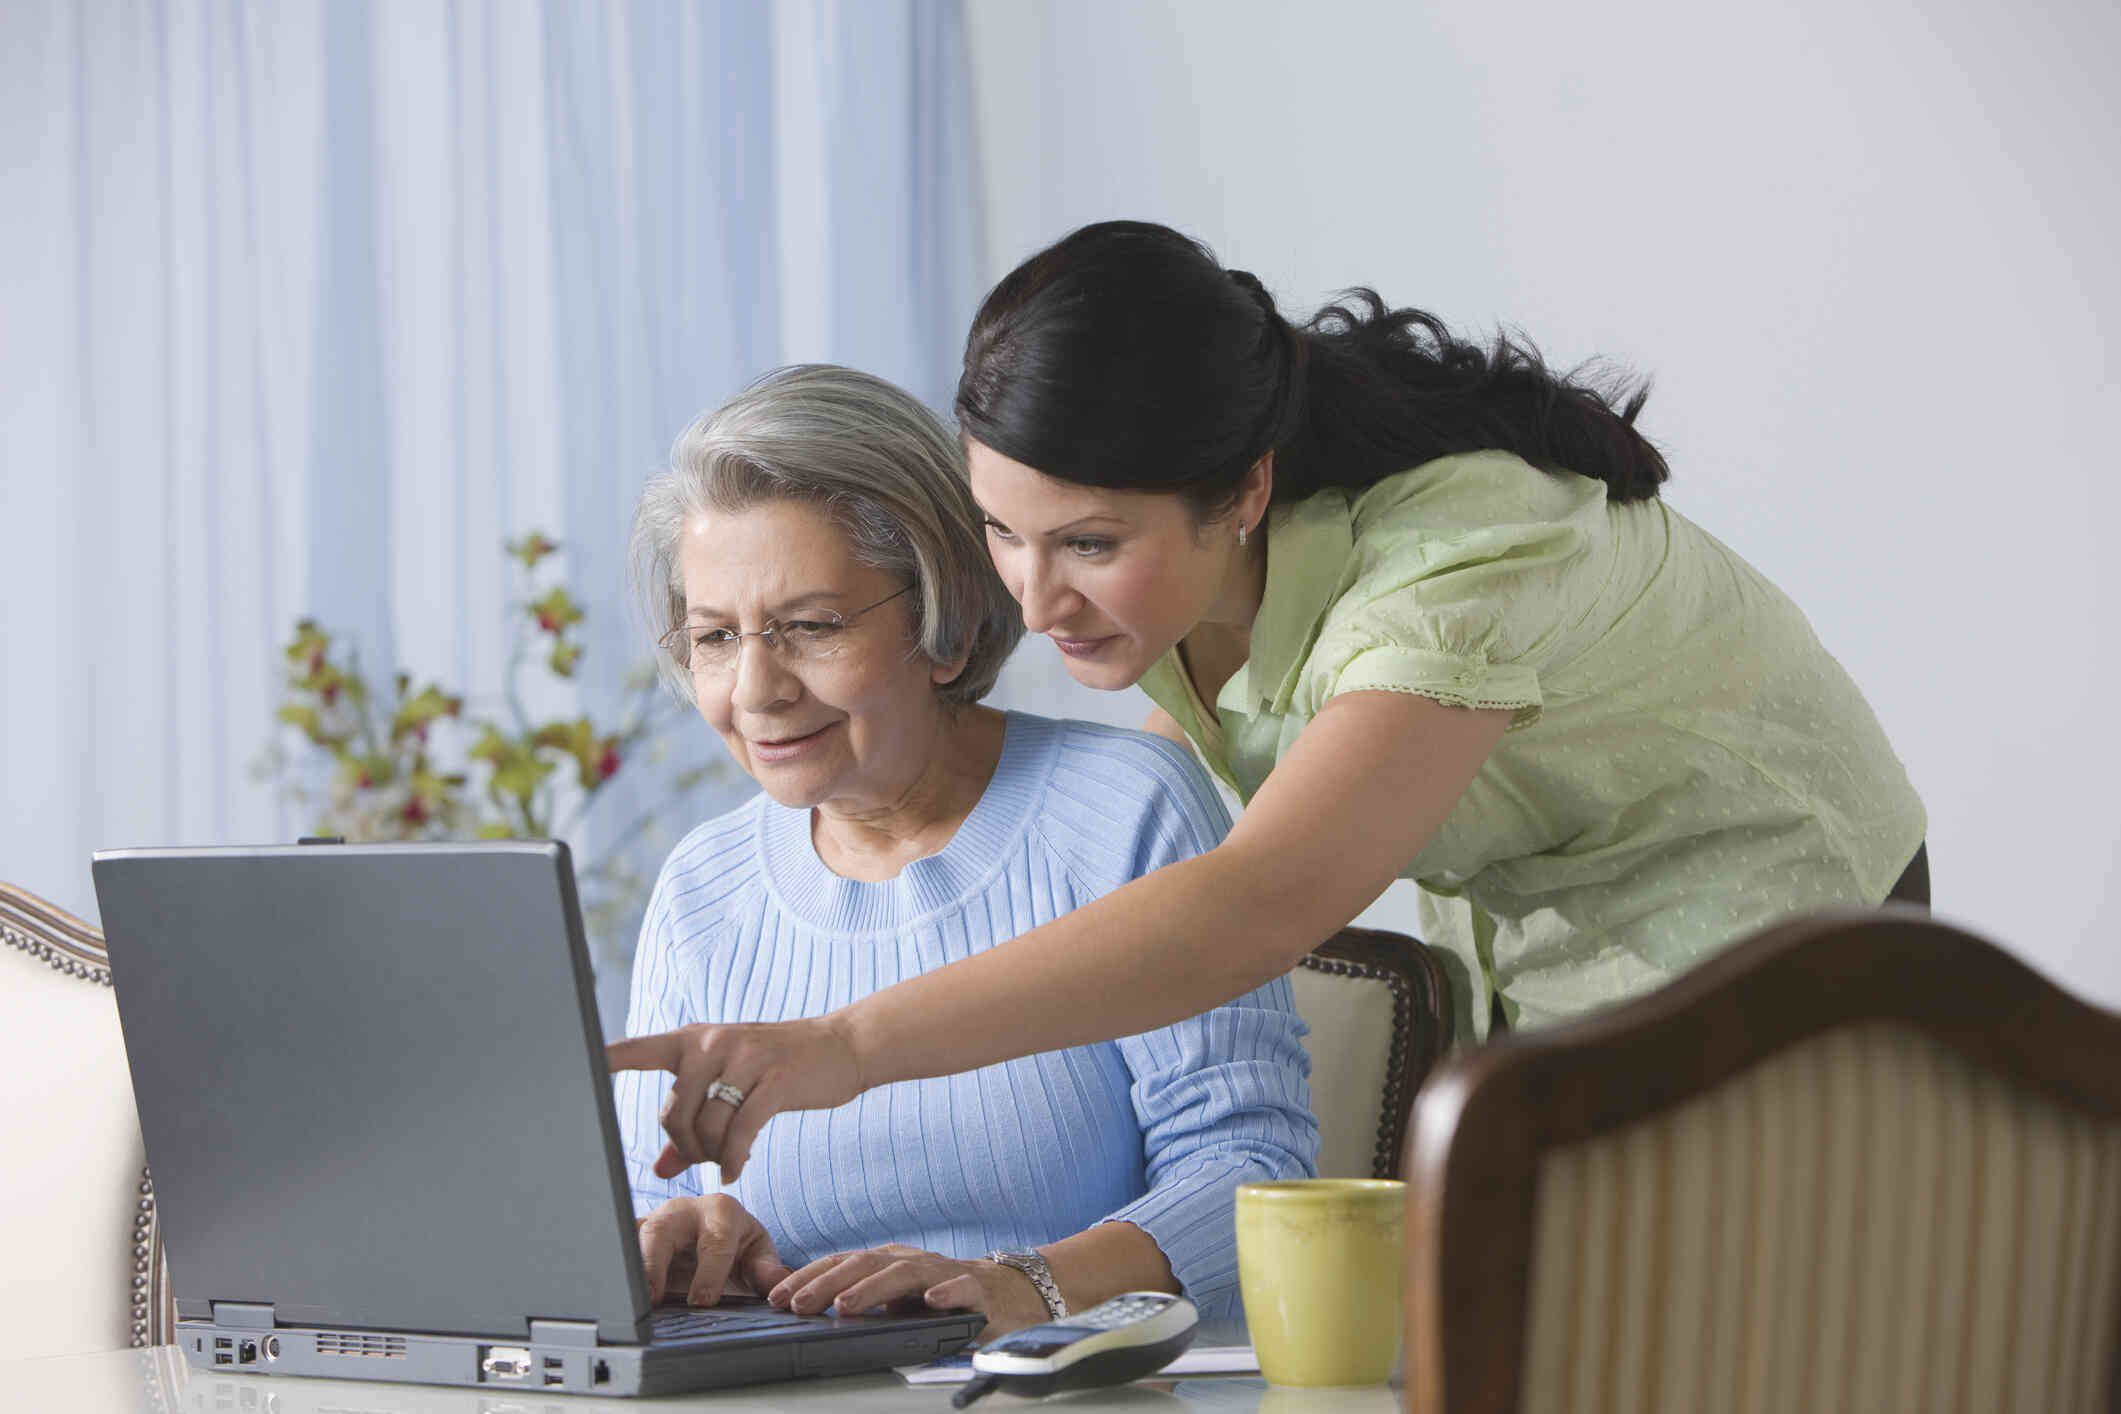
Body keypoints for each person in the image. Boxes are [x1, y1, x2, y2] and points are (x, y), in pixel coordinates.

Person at [610, 220, 1927, 1185]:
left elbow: (1251, 905)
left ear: (1241, 490)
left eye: (1086, 543)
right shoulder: (1174, 600)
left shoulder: (1448, 572)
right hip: (1547, 952)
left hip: (1785, 936)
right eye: (1005, 533)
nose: (1034, 597)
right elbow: (1129, 882)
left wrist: (847, 1043)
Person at [606, 363, 1316, 1336]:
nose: (756, 690)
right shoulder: (703, 886)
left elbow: (1254, 1168)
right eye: (716, 637)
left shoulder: (1122, 809)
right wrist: (686, 1235)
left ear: (943, 621)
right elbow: (646, 1212)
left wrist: (1024, 1284)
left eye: (810, 626)